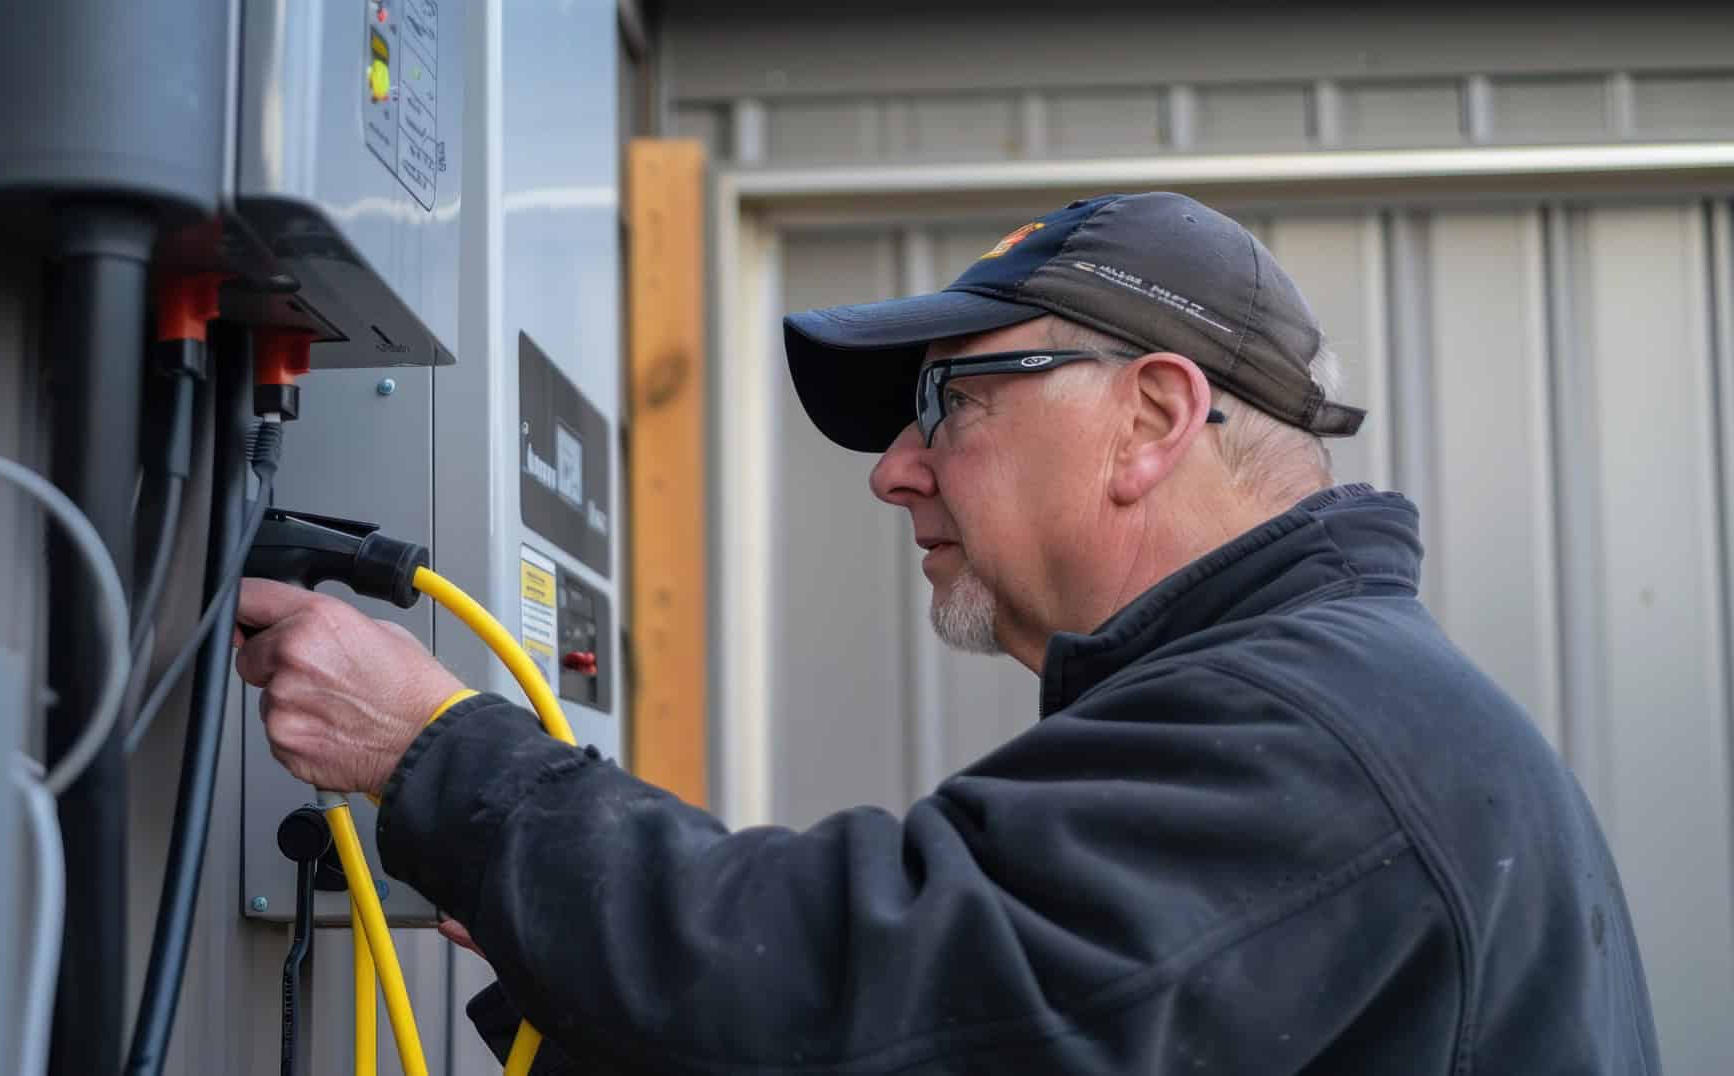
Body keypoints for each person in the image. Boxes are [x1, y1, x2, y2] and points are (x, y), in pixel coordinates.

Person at [235, 192, 1659, 1073]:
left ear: (1152, 419)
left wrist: (441, 759)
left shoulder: (1310, 736)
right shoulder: (1324, 701)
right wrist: (560, 945)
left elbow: (869, 994)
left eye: (950, 403)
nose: (894, 469)